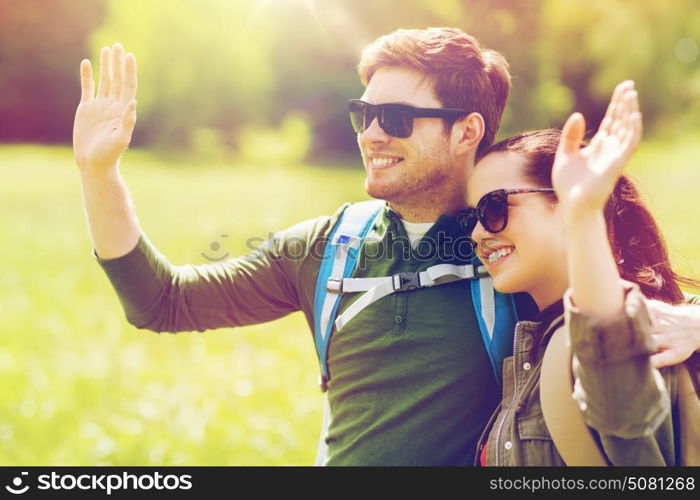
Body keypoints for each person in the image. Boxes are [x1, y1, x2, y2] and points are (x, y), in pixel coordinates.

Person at [73, 29, 700, 466]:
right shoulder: (326, 248)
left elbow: (617, 350)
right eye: (362, 114)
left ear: (466, 131)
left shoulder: (516, 244)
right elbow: (162, 304)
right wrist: (100, 175)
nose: (372, 133)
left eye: (396, 117)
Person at [465, 81, 700, 465]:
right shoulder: (530, 349)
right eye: (470, 218)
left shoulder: (650, 332)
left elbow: (619, 395)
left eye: (493, 209)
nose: (477, 233)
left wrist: (584, 214)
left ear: (563, 205)